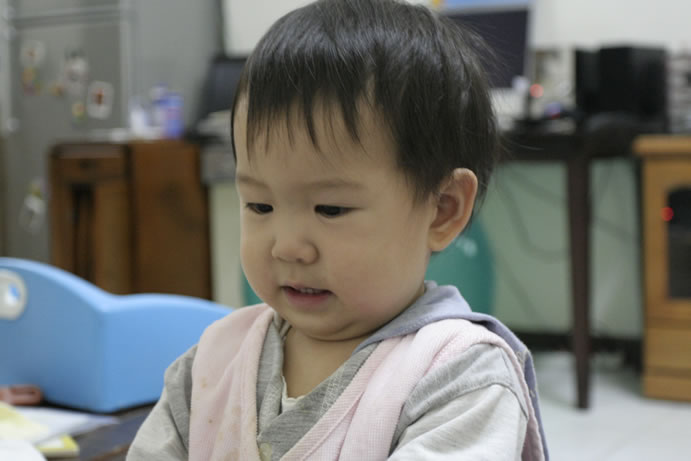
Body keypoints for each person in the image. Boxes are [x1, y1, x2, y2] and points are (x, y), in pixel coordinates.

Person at [127, 0, 548, 459]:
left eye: (329, 209)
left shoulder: (459, 377)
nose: (288, 247)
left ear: (442, 210)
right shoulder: (213, 364)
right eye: (260, 205)